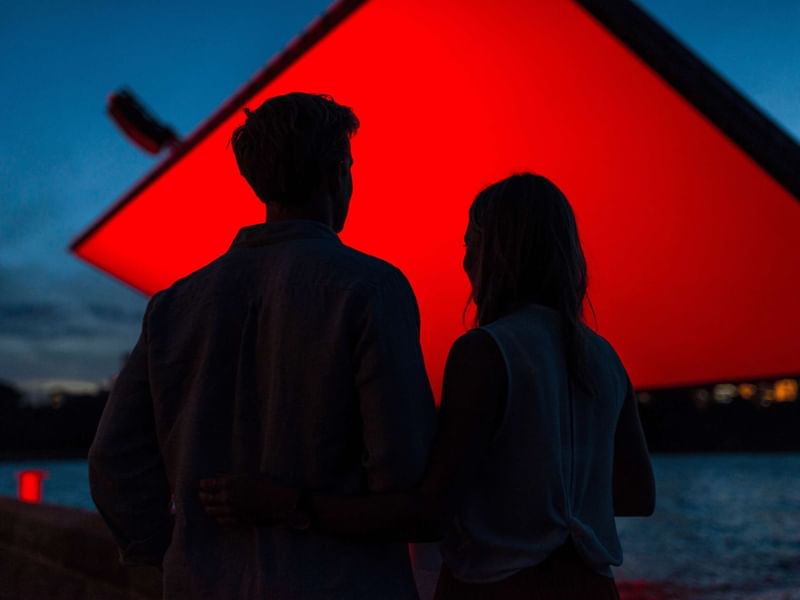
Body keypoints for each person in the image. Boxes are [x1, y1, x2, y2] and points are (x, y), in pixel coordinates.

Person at [199, 173, 656, 599]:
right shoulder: (604, 359)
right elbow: (638, 494)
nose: (465, 260)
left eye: (469, 242)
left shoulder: (486, 351)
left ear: (491, 252)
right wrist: (553, 496)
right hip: (593, 587)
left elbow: (427, 512)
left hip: (497, 588)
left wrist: (283, 504)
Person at [88, 92, 437, 599]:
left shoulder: (173, 306)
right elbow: (403, 471)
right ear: (337, 170)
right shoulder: (371, 289)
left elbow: (112, 460)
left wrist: (176, 551)